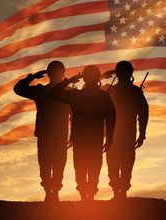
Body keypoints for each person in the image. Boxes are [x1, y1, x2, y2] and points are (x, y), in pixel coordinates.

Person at [50, 65, 115, 201]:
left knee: (81, 166)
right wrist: (109, 138)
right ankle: (89, 194)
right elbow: (111, 117)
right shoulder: (103, 96)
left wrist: (70, 80)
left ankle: (85, 194)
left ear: (84, 78)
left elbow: (54, 93)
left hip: (80, 138)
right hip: (94, 138)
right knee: (93, 166)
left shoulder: (77, 96)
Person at [13, 61, 71, 202]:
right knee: (46, 164)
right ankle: (49, 191)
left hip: (58, 134)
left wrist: (33, 77)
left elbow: (73, 113)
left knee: (56, 164)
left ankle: (54, 191)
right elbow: (18, 89)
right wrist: (32, 77)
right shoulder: (41, 91)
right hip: (48, 134)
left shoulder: (66, 92)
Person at [105, 61, 149, 200]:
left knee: (122, 164)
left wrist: (142, 133)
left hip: (121, 134)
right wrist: (142, 133)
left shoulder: (113, 91)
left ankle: (121, 192)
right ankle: (120, 192)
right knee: (120, 164)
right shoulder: (113, 91)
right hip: (118, 135)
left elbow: (143, 113)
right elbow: (143, 113)